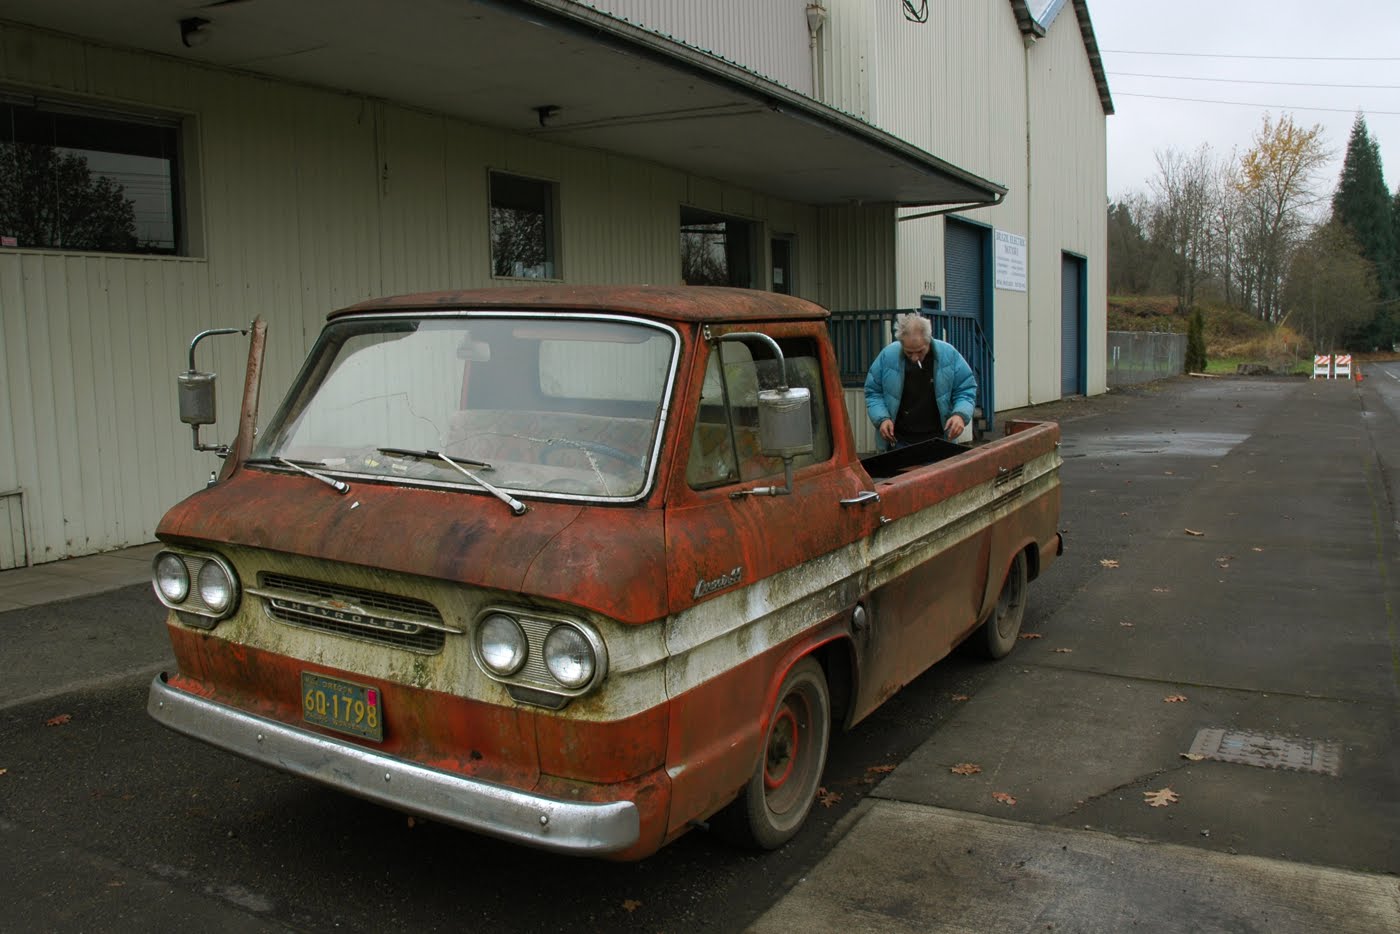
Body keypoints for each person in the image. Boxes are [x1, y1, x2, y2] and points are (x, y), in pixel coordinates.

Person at [863, 312, 977, 452]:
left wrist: (960, 414)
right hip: (898, 443)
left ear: (928, 340)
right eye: (909, 352)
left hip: (940, 440)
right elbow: (873, 392)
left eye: (920, 351)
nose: (914, 358)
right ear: (901, 343)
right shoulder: (887, 356)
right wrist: (882, 419)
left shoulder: (949, 355)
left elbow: (965, 390)